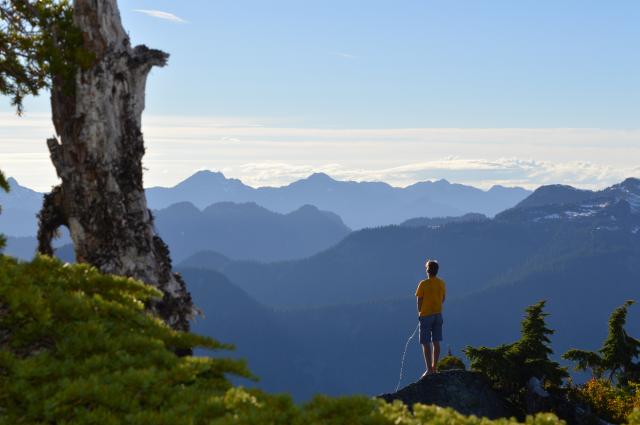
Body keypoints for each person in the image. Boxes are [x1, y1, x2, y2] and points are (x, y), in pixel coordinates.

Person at [415, 259, 446, 377]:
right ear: (437, 270)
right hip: (438, 315)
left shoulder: (423, 284)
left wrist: (420, 312)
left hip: (426, 315)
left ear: (427, 270)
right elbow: (443, 299)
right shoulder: (441, 283)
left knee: (425, 342)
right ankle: (435, 367)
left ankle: (429, 369)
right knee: (436, 341)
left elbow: (419, 301)